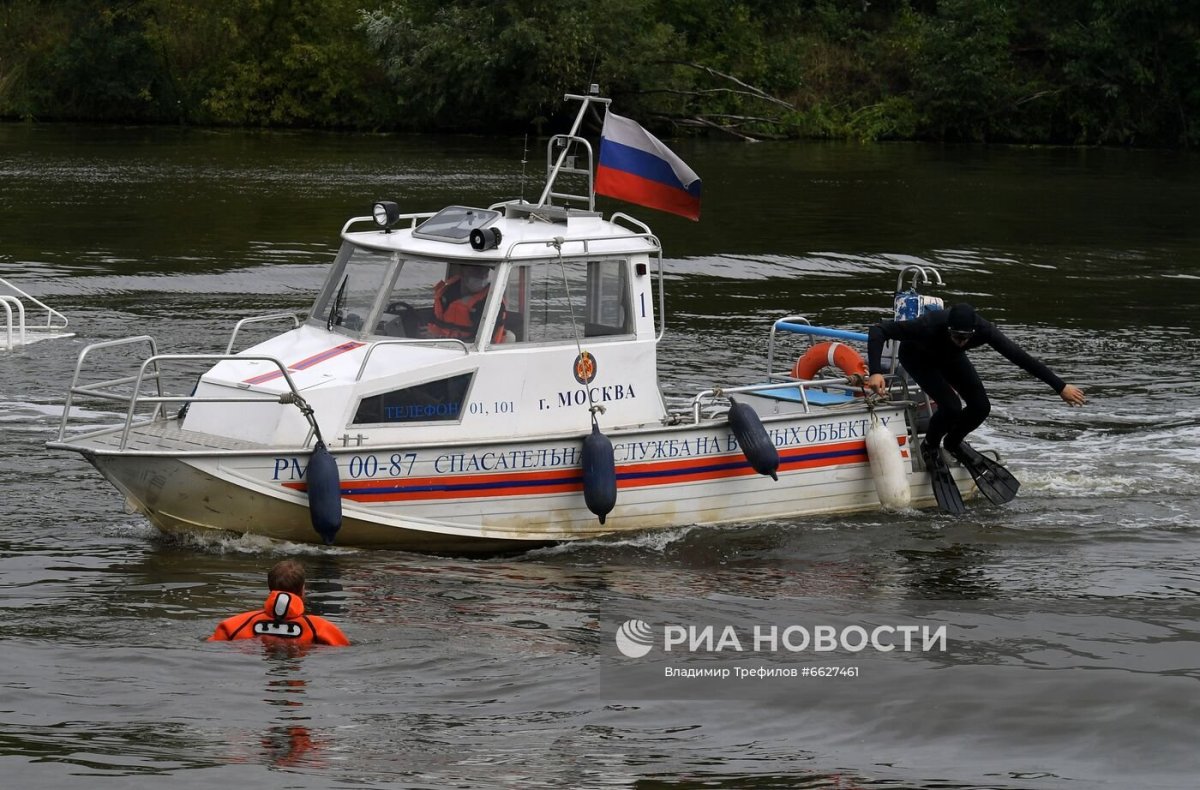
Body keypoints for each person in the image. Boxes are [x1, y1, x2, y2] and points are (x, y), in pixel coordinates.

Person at [865, 303, 1086, 465]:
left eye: (965, 338)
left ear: (973, 332)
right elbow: (879, 330)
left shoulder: (984, 330)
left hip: (950, 358)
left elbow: (1019, 357)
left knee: (981, 407)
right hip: (918, 358)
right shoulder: (929, 324)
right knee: (951, 407)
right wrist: (875, 372)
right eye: (956, 336)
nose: (961, 341)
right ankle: (930, 446)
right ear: (948, 328)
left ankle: (953, 443)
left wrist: (1060, 387)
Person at [209, 559, 350, 646]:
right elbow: (343, 648)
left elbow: (213, 643)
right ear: (302, 590)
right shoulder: (319, 627)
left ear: (270, 589)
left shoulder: (235, 624)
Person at [427, 263, 507, 343]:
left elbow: (489, 341)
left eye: (485, 271)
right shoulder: (445, 293)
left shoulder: (493, 301)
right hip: (441, 343)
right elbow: (435, 325)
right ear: (463, 272)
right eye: (476, 270)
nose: (482, 275)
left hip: (473, 347)